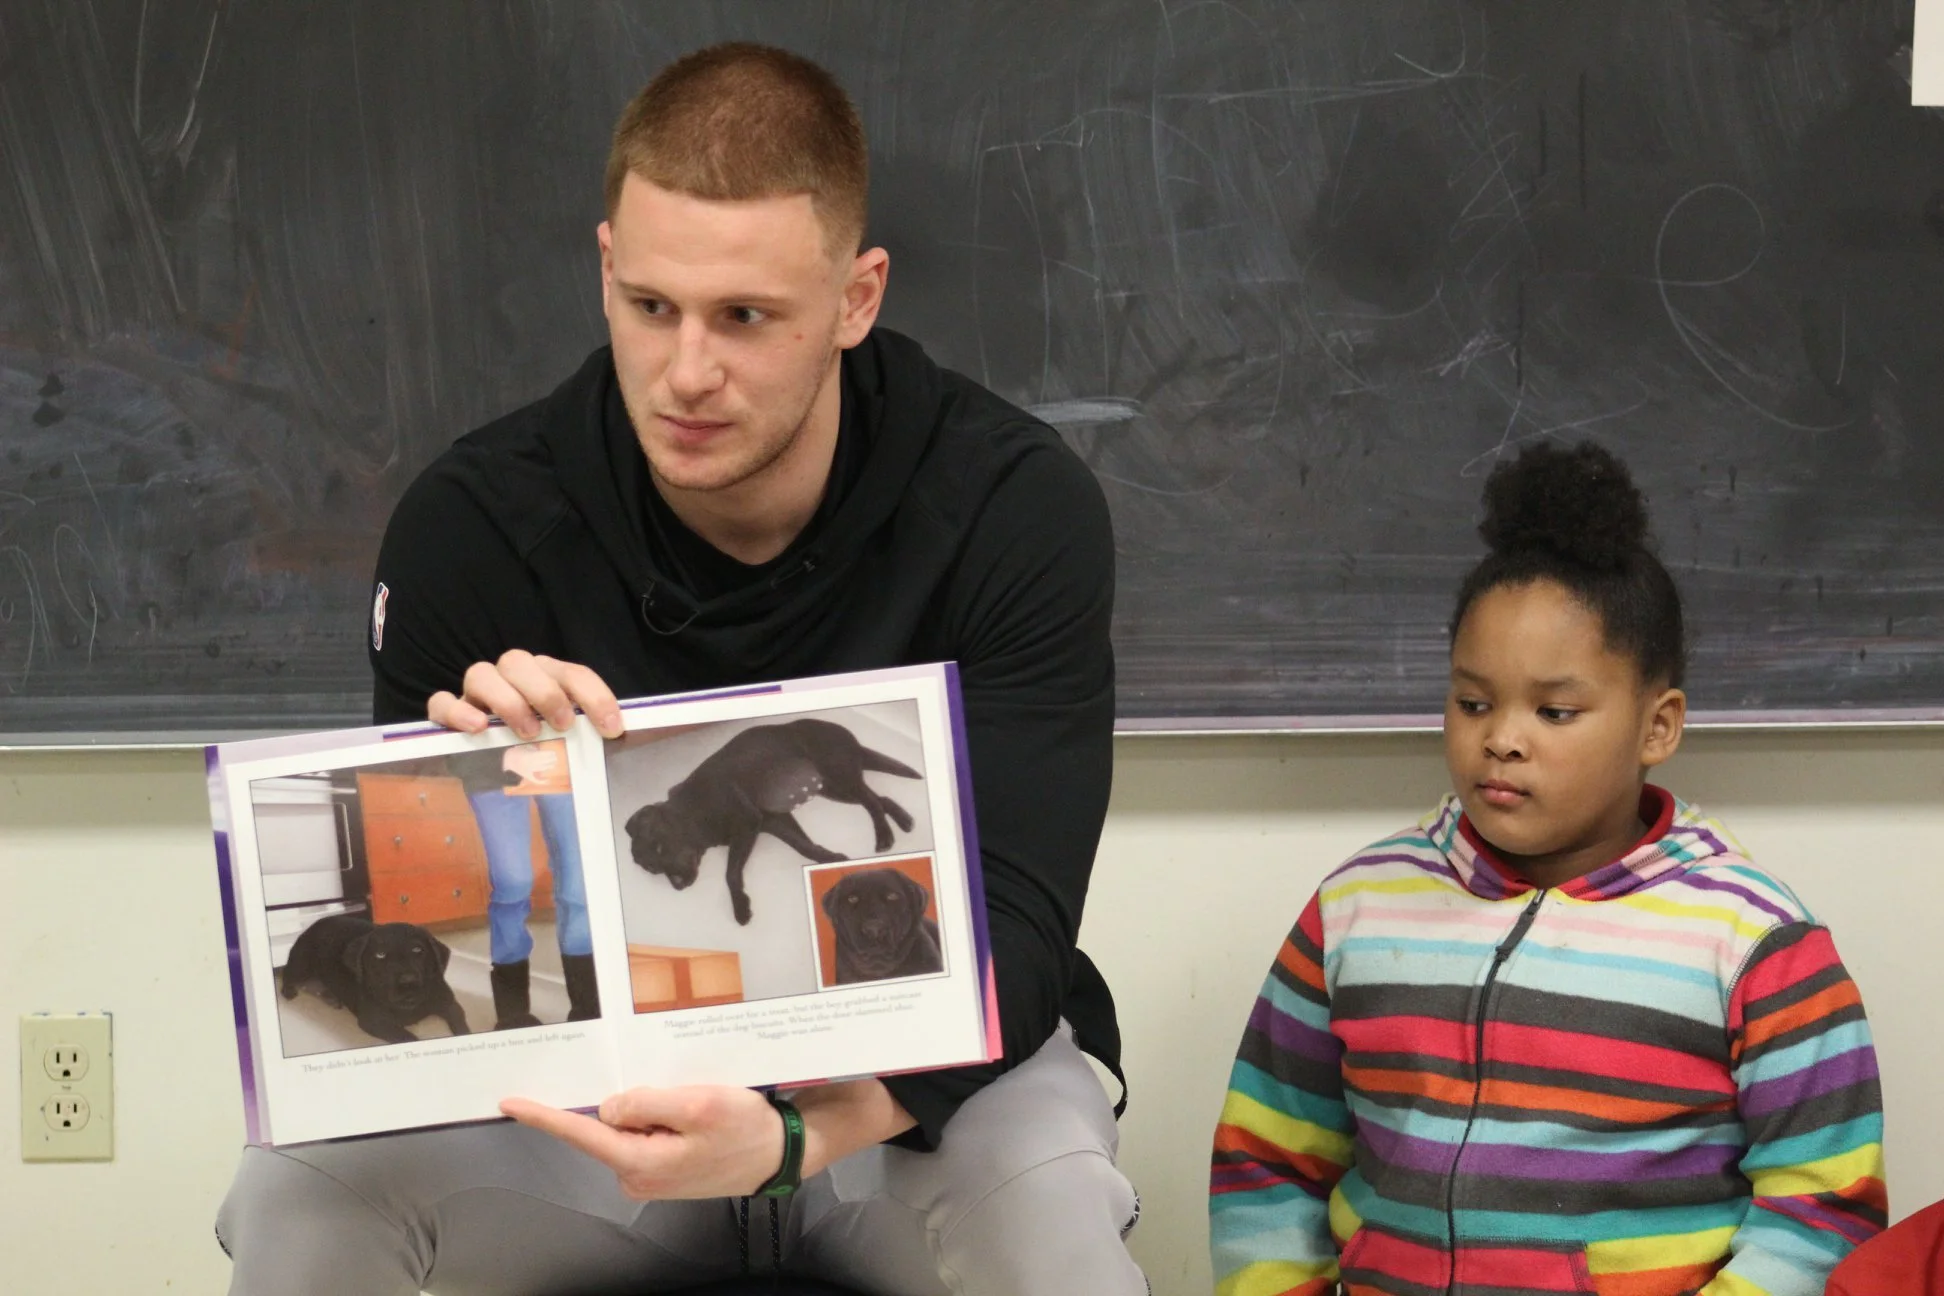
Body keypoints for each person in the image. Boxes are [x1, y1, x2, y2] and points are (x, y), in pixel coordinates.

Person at [214, 41, 1143, 1296]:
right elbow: (429, 949)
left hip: (899, 1094)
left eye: (746, 318)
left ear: (858, 299)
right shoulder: (474, 524)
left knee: (1053, 1210)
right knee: (297, 1192)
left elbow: (1025, 925)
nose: (687, 372)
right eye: (651, 306)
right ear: (605, 267)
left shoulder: (1013, 508)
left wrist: (801, 1135)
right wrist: (478, 787)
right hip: (593, 1103)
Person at [1209, 442, 1886, 1296]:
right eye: (1473, 702)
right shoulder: (1357, 908)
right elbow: (1267, 1159)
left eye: (1555, 710)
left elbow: (1824, 1213)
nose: (1503, 737)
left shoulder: (1753, 942)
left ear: (1658, 726)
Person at [442, 745, 598, 1028]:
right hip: (490, 767)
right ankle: (513, 1013)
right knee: (513, 884)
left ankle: (588, 1009)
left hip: (564, 761)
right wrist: (503, 758)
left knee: (578, 888)